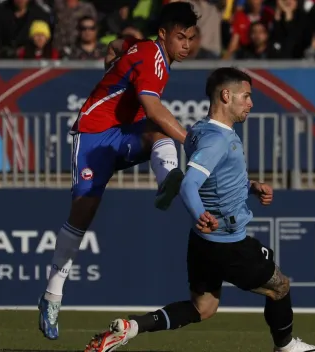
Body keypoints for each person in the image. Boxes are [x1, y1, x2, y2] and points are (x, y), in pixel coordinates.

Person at [83, 67, 315, 352]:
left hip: (202, 244)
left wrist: (251, 186)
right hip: (227, 243)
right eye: (246, 96)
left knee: (203, 307)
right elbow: (190, 184)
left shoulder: (201, 130)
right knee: (280, 287)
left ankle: (131, 328)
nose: (251, 103)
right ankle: (286, 348)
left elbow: (216, 178)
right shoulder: (217, 140)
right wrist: (201, 214)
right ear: (226, 95)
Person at [38, 2, 199, 340]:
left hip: (122, 134)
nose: (187, 44)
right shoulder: (152, 59)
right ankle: (52, 295)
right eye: (181, 37)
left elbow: (114, 45)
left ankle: (168, 177)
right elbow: (153, 108)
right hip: (93, 134)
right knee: (84, 211)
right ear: (163, 34)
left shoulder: (143, 49)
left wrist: (110, 66)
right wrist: (191, 141)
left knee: (156, 133)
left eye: (191, 38)